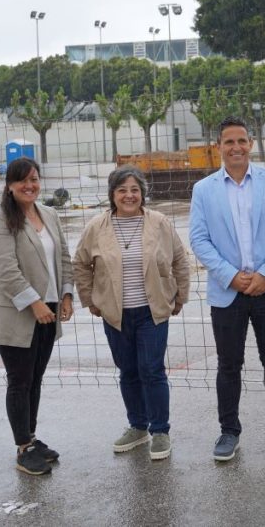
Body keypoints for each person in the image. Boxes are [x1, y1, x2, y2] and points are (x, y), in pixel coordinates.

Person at [189, 116, 265, 462]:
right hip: (228, 293)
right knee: (228, 364)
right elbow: (199, 240)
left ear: (250, 143)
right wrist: (231, 276)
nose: (236, 147)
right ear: (218, 146)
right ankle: (228, 431)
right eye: (228, 142)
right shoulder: (204, 190)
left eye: (241, 141)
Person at [73, 166, 190, 461]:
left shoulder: (159, 223)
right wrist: (90, 300)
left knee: (152, 370)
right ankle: (137, 426)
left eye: (134, 190)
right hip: (116, 314)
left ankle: (160, 431)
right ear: (112, 194)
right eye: (122, 190)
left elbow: (180, 259)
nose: (129, 195)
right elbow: (80, 264)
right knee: (128, 371)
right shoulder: (96, 227)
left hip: (152, 311)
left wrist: (180, 296)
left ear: (142, 193)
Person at [0, 157, 74, 475]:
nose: (30, 185)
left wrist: (66, 294)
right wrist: (35, 304)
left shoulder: (49, 213)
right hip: (17, 315)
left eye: (34, 179)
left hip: (49, 312)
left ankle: (31, 438)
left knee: (35, 379)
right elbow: (7, 273)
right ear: (9, 186)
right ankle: (23, 448)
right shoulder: (1, 222)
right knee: (20, 381)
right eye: (22, 180)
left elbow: (63, 255)